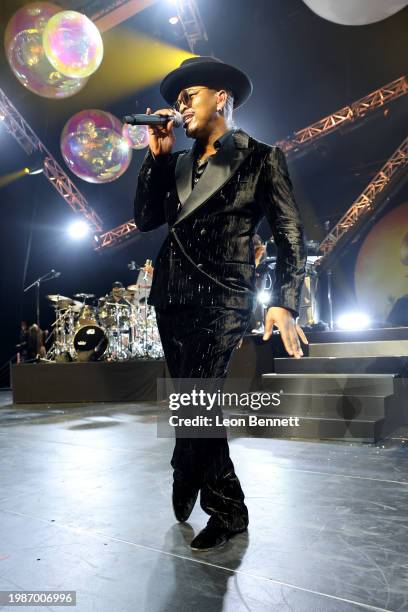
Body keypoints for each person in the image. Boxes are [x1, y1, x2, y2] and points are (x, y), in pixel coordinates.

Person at [134, 56, 308, 551]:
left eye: (190, 95)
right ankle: (185, 459)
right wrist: (158, 158)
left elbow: (290, 234)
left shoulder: (261, 157)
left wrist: (283, 302)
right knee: (190, 403)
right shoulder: (177, 160)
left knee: (200, 403)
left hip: (224, 297)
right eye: (176, 100)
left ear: (222, 98)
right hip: (173, 295)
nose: (180, 106)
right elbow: (146, 219)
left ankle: (226, 508)